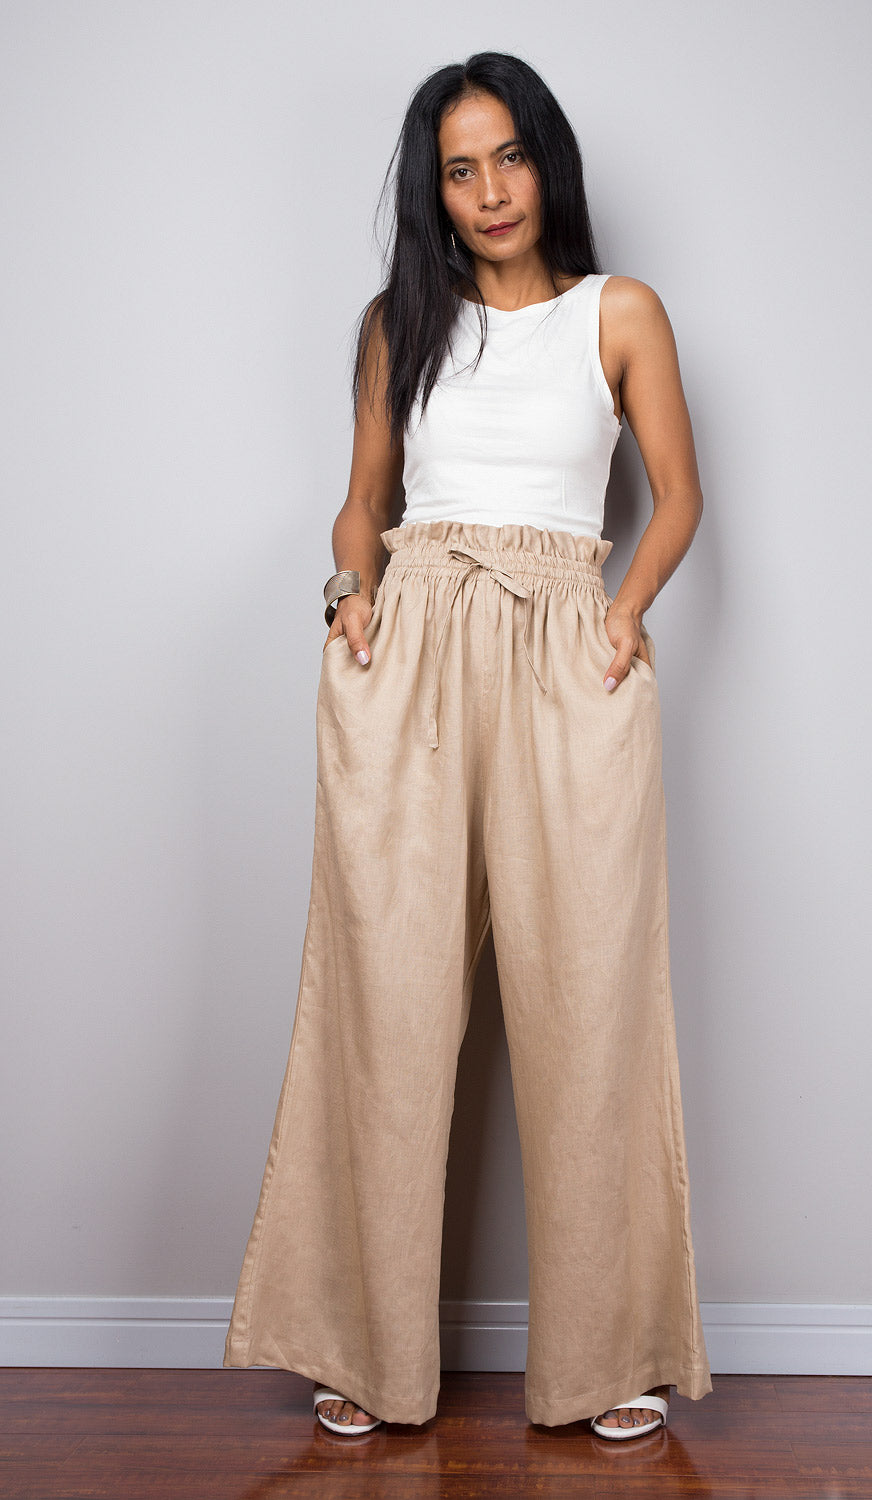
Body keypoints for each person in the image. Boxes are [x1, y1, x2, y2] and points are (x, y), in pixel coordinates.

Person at [223, 50, 713, 1442]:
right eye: (460, 167)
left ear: (547, 162)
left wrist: (617, 623)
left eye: (509, 157)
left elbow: (675, 498)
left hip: (569, 647)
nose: (491, 190)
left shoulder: (619, 313)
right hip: (416, 641)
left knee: (590, 1007)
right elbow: (359, 501)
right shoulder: (400, 323)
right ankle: (367, 1349)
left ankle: (606, 1352)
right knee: (384, 1007)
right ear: (433, 192)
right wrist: (349, 599)